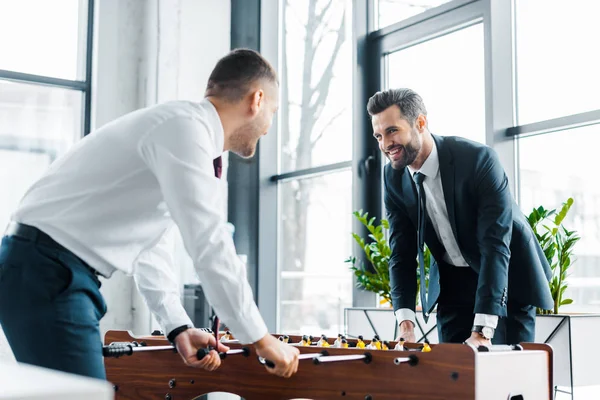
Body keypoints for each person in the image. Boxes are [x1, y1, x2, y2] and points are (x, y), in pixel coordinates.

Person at [0, 49, 299, 379]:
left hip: (46, 269)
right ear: (257, 100)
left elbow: (150, 241)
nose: (268, 127)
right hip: (47, 271)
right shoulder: (185, 129)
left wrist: (178, 326)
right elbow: (209, 243)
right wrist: (260, 337)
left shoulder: (186, 132)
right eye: (273, 111)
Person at [367, 88, 553, 347]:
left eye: (392, 131)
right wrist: (405, 325)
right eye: (378, 135)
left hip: (505, 278)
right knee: (454, 376)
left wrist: (482, 331)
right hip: (453, 281)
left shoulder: (478, 159)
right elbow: (401, 253)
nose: (385, 144)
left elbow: (496, 244)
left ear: (420, 123)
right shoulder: (393, 178)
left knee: (508, 378)